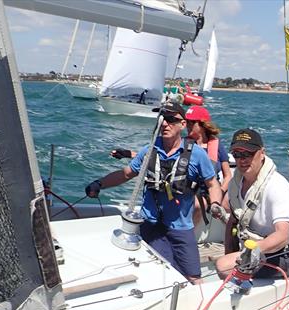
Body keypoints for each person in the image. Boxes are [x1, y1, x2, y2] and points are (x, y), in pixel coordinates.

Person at [85, 101, 222, 282]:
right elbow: (127, 174)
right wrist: (99, 183)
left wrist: (215, 204)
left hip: (181, 227)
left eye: (171, 119)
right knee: (169, 271)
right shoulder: (149, 150)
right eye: (162, 118)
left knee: (195, 277)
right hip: (151, 225)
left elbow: (213, 184)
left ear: (183, 124)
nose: (165, 123)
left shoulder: (197, 155)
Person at [214, 128, 289, 279]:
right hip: (252, 245)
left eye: (248, 154)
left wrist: (251, 252)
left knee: (223, 266)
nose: (242, 160)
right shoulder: (237, 182)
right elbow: (233, 217)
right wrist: (232, 252)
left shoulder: (277, 187)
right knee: (227, 261)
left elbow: (282, 236)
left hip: (283, 254)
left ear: (262, 153)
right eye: (237, 154)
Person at [182, 105, 232, 224]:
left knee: (230, 206)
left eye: (191, 122)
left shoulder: (216, 145)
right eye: (186, 122)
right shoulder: (183, 143)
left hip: (213, 189)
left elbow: (228, 175)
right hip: (190, 189)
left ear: (202, 125)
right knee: (199, 205)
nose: (187, 125)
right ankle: (188, 238)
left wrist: (219, 192)